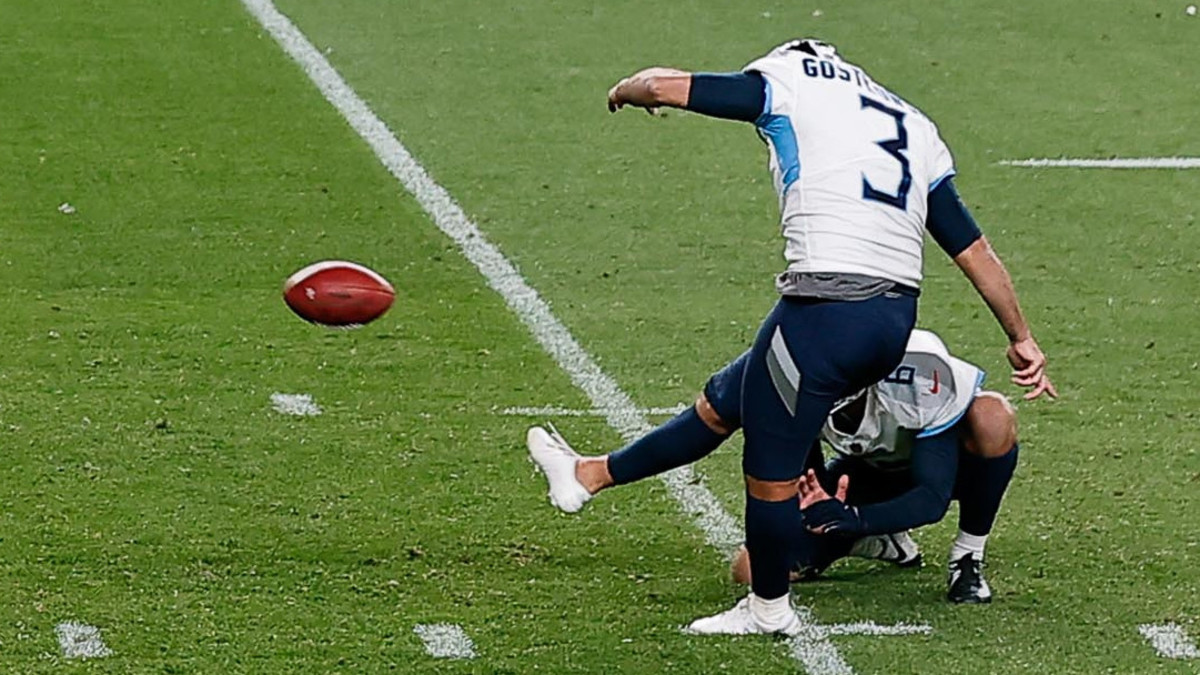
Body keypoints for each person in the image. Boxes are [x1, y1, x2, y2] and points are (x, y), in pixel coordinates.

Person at [530, 38, 1055, 636]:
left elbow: (660, 85)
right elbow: (973, 248)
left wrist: (625, 91)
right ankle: (590, 474)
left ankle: (769, 610)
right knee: (727, 402)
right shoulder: (909, 120)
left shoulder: (790, 83)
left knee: (770, 470)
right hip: (892, 315)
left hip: (827, 307)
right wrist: (1020, 335)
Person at [531, 329, 1018, 606]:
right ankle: (878, 541)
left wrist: (854, 518)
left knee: (992, 415)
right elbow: (712, 421)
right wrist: (820, 512)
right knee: (751, 569)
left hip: (935, 466)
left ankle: (967, 558)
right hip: (859, 474)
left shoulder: (918, 373)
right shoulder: (786, 365)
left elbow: (931, 496)